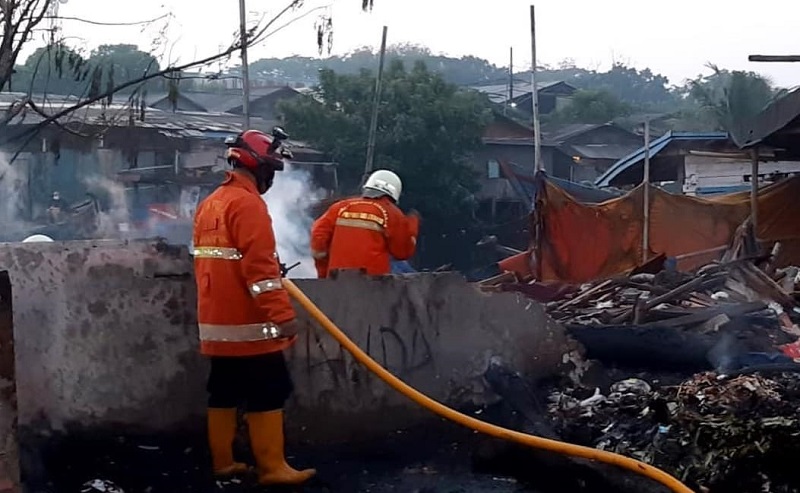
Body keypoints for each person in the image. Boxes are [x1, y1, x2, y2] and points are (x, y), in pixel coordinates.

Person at [192, 128, 315, 486]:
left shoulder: (211, 202)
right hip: (250, 324)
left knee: (223, 391)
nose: (271, 178)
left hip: (216, 323)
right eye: (271, 170)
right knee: (270, 389)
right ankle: (272, 468)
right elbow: (260, 272)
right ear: (257, 167)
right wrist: (283, 316)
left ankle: (224, 463)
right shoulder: (248, 204)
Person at [310, 169, 419, 278]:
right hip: (373, 283)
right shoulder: (392, 213)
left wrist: (324, 273)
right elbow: (402, 253)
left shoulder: (340, 207)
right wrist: (412, 226)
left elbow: (318, 236)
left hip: (338, 280)